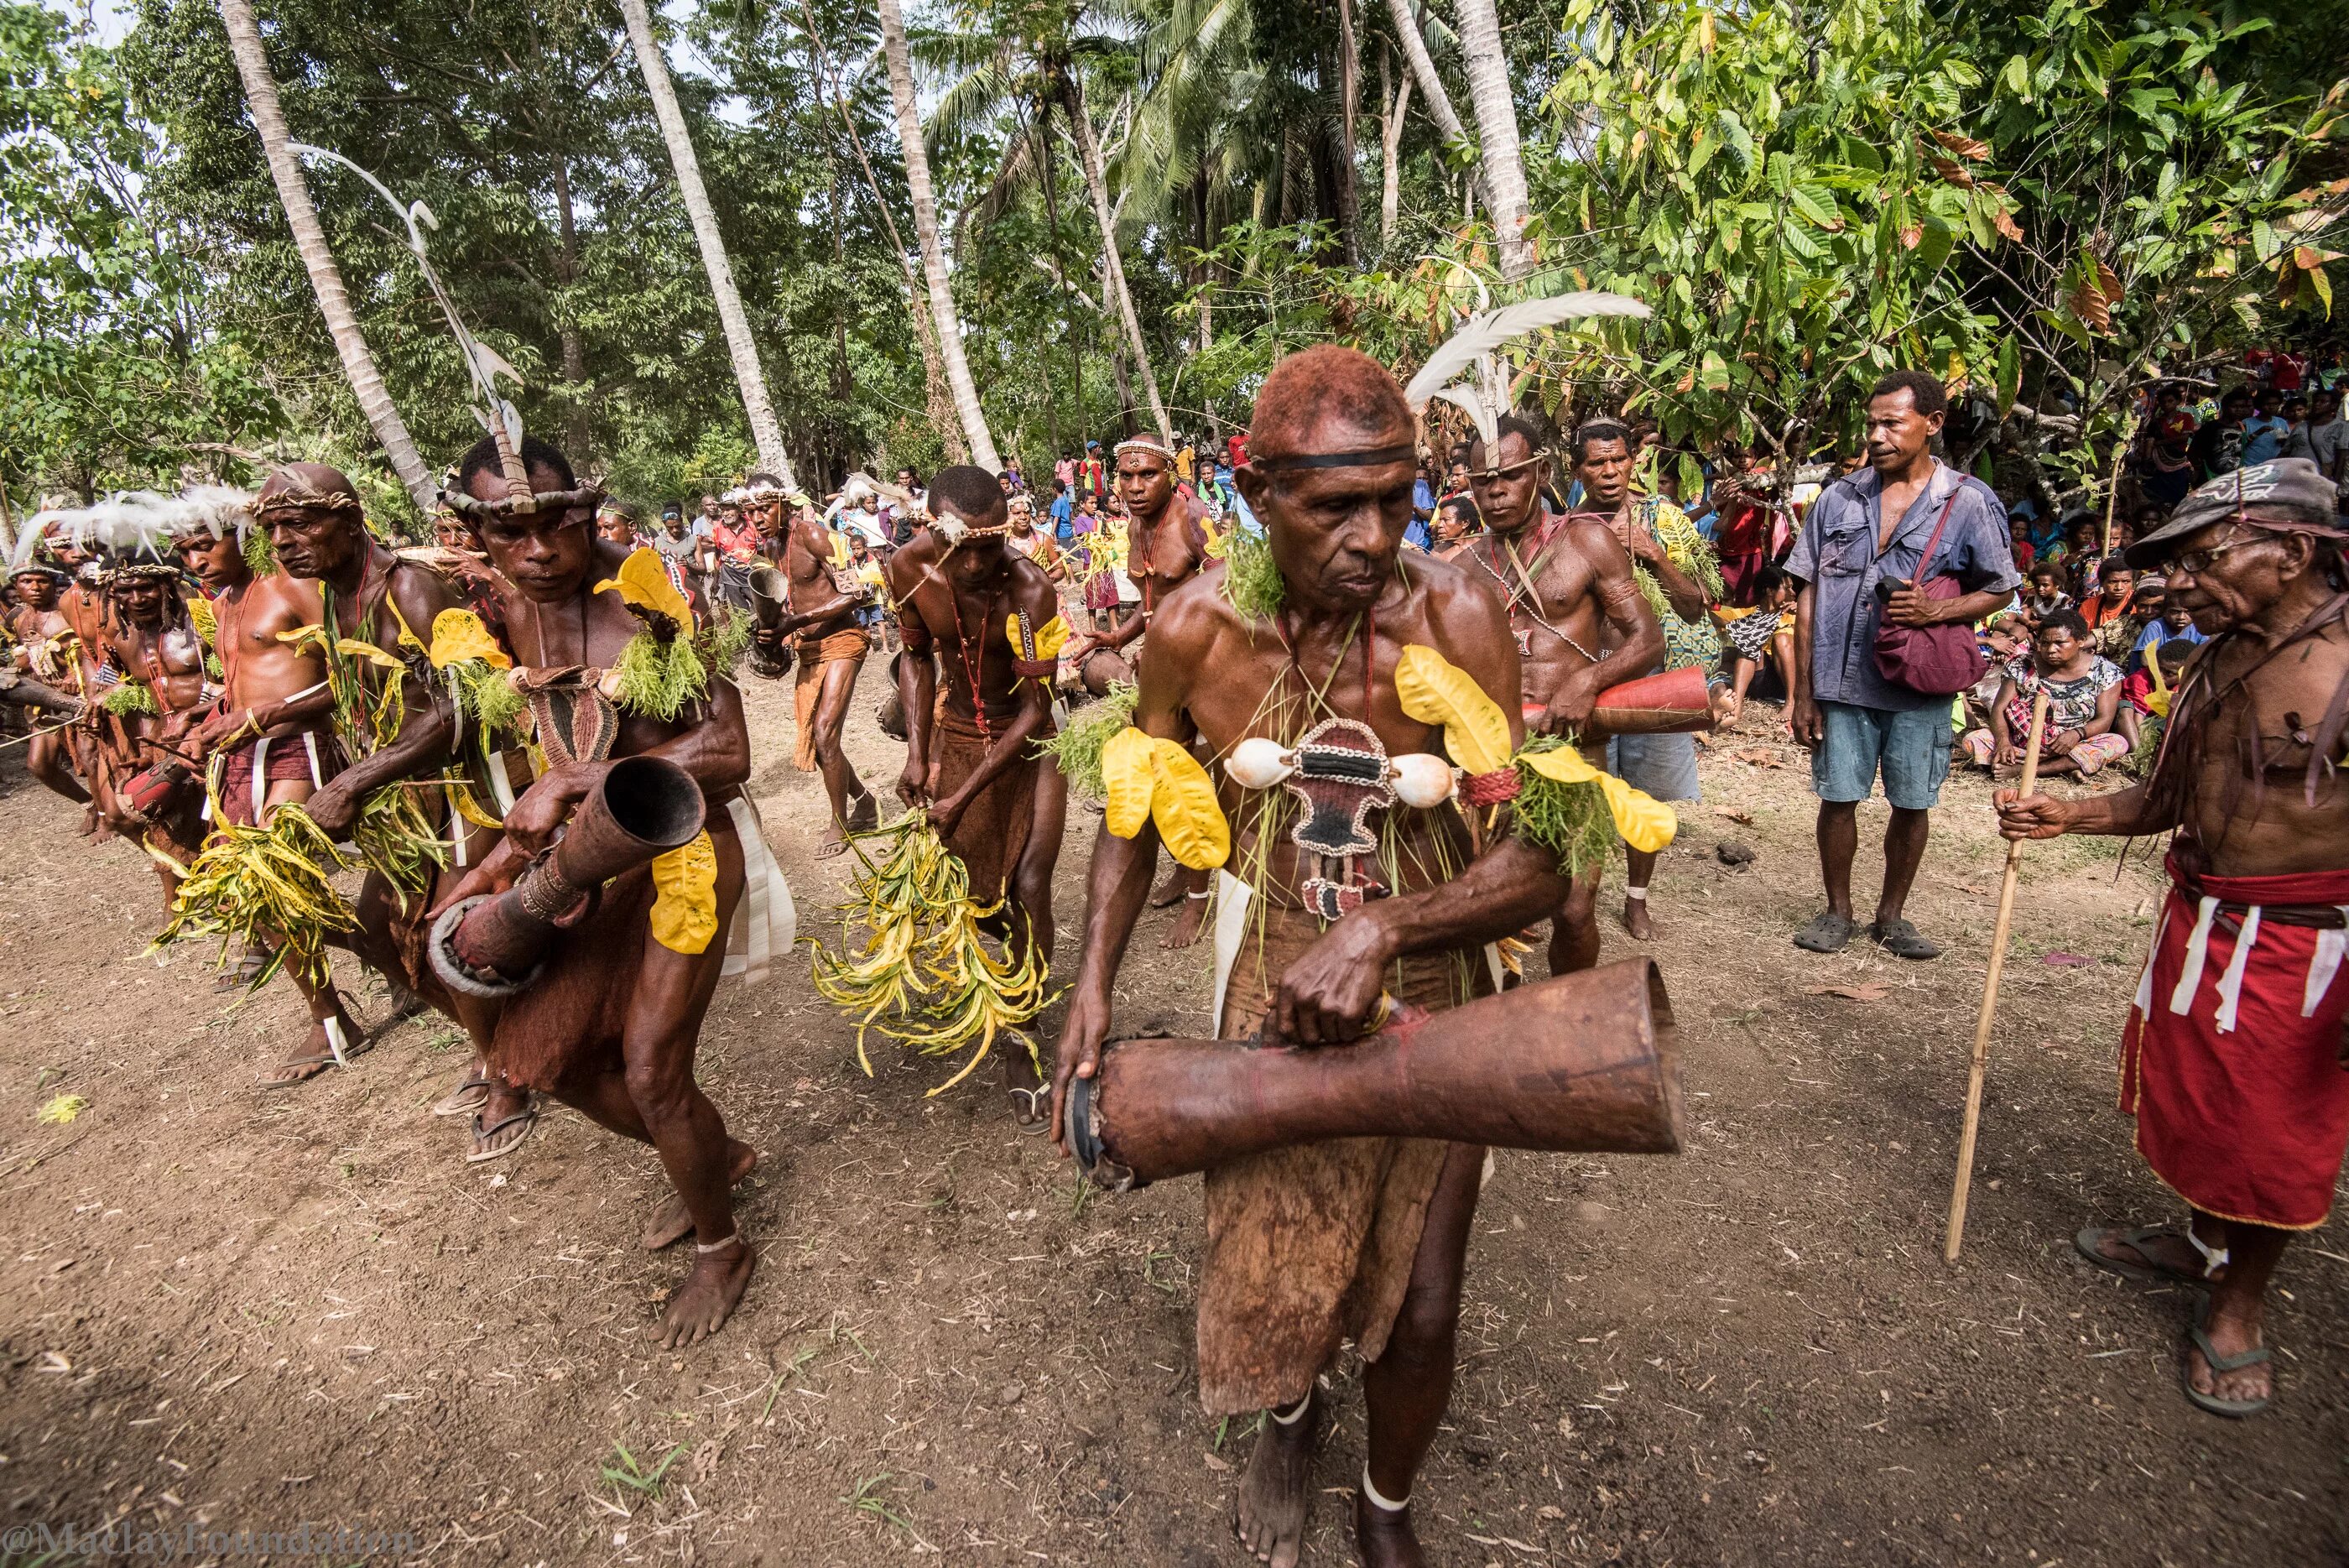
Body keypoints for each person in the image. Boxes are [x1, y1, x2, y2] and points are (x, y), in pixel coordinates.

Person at [1051, 345, 1580, 1568]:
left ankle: (1385, 1502)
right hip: (1274, 975)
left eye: (1396, 498)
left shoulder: (1457, 612)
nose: (1374, 534)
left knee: (1425, 1302)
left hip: (1439, 993)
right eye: (1335, 505)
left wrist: (1386, 927)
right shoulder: (1193, 633)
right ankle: (1289, 1416)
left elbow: (1543, 857)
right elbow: (1135, 808)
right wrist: (1092, 988)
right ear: (1254, 492)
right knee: (1278, 1261)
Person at [1995, 457, 2349, 1420]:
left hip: (2306, 946)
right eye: (2180, 565)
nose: (2183, 582)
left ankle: (2236, 1305)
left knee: (2275, 1134)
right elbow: (2167, 799)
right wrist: (2066, 818)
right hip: (2203, 920)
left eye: (2205, 558)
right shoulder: (2223, 656)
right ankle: (2199, 1242)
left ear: (2293, 549)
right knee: (2204, 1103)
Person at [442, 433, 779, 1348]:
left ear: (589, 513)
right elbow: (502, 743)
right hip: (576, 869)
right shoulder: (493, 615)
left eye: (557, 525)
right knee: (557, 1063)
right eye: (511, 537)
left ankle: (722, 1246)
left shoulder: (651, 596)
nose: (540, 551)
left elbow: (729, 752)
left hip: (682, 850)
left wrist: (580, 783)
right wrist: (497, 857)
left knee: (651, 1068)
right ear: (475, 535)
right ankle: (720, 1158)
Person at [1786, 369, 2019, 960]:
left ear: (1932, 424)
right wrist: (1804, 691)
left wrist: (1939, 608)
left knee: (1913, 800)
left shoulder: (1967, 502)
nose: (1878, 435)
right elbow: (1807, 591)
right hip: (1840, 681)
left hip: (1918, 684)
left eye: (1892, 422)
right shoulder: (1839, 497)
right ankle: (1838, 911)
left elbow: (2001, 588)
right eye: (1872, 423)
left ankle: (1892, 915)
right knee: (1838, 796)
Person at [886, 466, 1066, 1128]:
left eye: (995, 546)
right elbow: (914, 656)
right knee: (974, 894)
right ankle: (1003, 976)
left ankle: (1023, 1031)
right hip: (956, 730)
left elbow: (1033, 713)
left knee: (1030, 883)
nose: (986, 562)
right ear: (936, 535)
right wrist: (918, 751)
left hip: (1031, 740)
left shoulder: (1031, 588)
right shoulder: (907, 569)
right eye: (972, 549)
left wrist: (958, 795)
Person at [165, 507, 364, 1082]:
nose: (195, 559)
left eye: (204, 544)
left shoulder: (292, 585)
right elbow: (242, 684)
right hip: (243, 756)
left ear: (242, 537)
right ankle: (336, 1010)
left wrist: (262, 716)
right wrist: (209, 718)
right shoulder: (223, 603)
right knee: (259, 893)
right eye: (184, 551)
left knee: (269, 877)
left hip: (299, 748)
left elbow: (350, 672)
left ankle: (338, 1011)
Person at [1463, 414, 1663, 976]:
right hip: (1493, 761)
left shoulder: (1585, 541)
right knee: (1485, 909)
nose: (1495, 491)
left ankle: (1572, 1020)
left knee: (1574, 909)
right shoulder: (1465, 568)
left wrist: (1587, 679)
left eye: (1510, 475)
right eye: (1482, 480)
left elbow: (1647, 639)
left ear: (1542, 472)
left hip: (1574, 757)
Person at [1570, 418, 1722, 939]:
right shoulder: (1565, 530)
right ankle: (1579, 900)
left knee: (1648, 796)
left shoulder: (1666, 520)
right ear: (1579, 470)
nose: (1610, 472)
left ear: (1634, 461)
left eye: (1618, 460)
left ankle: (1636, 901)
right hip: (1587, 679)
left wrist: (1653, 555)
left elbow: (1696, 607)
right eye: (1597, 463)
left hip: (1652, 678)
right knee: (1584, 794)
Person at [748, 471, 880, 855]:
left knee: (824, 733)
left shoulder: (813, 534)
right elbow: (789, 602)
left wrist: (798, 622)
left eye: (764, 508)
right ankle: (864, 801)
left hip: (844, 639)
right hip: (809, 645)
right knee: (817, 737)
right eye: (751, 511)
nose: (757, 517)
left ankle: (840, 823)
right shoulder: (773, 548)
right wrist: (778, 634)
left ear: (783, 504)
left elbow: (856, 592)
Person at [93, 560, 213, 898]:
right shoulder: (121, 636)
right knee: (143, 815)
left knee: (219, 819)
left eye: (146, 587)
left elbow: (238, 673)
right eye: (125, 591)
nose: (136, 598)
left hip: (215, 731)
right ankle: (179, 892)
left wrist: (205, 712)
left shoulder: (204, 621)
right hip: (165, 738)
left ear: (167, 585)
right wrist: (102, 697)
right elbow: (114, 682)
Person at [1960, 608, 2127, 777]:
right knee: (1974, 740)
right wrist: (2003, 742)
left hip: (2071, 745)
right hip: (2020, 743)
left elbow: (2104, 719)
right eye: (2045, 643)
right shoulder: (2022, 665)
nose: (2051, 650)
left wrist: (2076, 734)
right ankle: (2064, 767)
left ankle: (2024, 770)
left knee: (2117, 743)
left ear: (2081, 641)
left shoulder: (2105, 672)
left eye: (2060, 643)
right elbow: (1998, 709)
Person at [7, 564, 90, 806]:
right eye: (27, 582)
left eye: (42, 581)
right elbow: (29, 658)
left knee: (93, 757)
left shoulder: (67, 612)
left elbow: (91, 649)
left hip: (82, 696)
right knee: (39, 764)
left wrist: (77, 676)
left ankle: (110, 813)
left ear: (53, 585)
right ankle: (90, 804)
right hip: (46, 698)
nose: (35, 587)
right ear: (16, 587)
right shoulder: (20, 619)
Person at [1719, 563, 1798, 727]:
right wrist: (1741, 626)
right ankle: (1737, 705)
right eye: (1787, 588)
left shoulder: (1796, 615)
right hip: (1760, 678)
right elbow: (1708, 615)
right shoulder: (1747, 614)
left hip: (1789, 678)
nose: (1793, 593)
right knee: (1750, 642)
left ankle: (1791, 701)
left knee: (1781, 639)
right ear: (1770, 591)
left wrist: (1804, 612)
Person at [2079, 553, 2138, 659]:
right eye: (2113, 582)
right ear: (2101, 583)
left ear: (2133, 582)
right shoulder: (2089, 605)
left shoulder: (2139, 603)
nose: (2119, 587)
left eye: (2126, 581)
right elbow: (2082, 638)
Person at [2190, 387, 2251, 481]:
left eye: (2242, 407)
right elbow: (2193, 452)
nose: (2239, 410)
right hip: (2210, 478)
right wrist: (2199, 470)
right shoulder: (2210, 427)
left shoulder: (2243, 428)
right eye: (2234, 406)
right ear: (2225, 407)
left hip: (2234, 479)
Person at [2241, 386, 2290, 467]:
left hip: (2274, 467)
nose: (2271, 407)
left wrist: (2284, 440)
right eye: (2268, 404)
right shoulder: (2247, 423)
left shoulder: (2281, 422)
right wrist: (2258, 433)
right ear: (2259, 405)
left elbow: (2287, 446)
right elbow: (2240, 446)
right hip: (2251, 467)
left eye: (2275, 404)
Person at [2017, 559, 2074, 628]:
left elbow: (2062, 621)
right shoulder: (2034, 599)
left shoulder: (2064, 600)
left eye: (2045, 585)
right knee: (2025, 610)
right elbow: (2017, 612)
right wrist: (2029, 622)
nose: (2040, 589)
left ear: (2056, 585)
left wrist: (2041, 623)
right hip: (2034, 628)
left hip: (2054, 629)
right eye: (2037, 585)